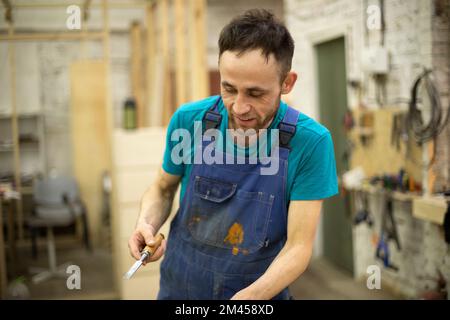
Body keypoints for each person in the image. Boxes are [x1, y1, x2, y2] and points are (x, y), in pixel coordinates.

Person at [128, 9, 338, 300]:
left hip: (258, 294)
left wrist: (249, 298)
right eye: (229, 89)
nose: (239, 107)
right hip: (181, 288)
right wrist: (147, 225)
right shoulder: (190, 122)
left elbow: (298, 247)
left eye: (255, 94)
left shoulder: (310, 143)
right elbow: (163, 189)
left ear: (287, 83)